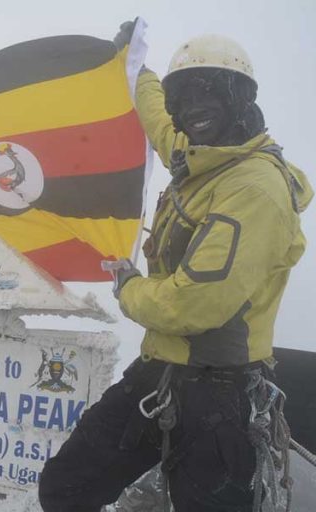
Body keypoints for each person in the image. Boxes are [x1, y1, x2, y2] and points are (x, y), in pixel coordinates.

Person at [38, 23, 312, 512]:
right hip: (161, 373)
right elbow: (160, 120)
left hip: (220, 398)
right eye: (183, 97)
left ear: (240, 100)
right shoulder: (199, 157)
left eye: (210, 92)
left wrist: (128, 287)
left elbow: (193, 304)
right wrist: (135, 67)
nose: (193, 107)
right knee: (66, 487)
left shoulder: (253, 189)